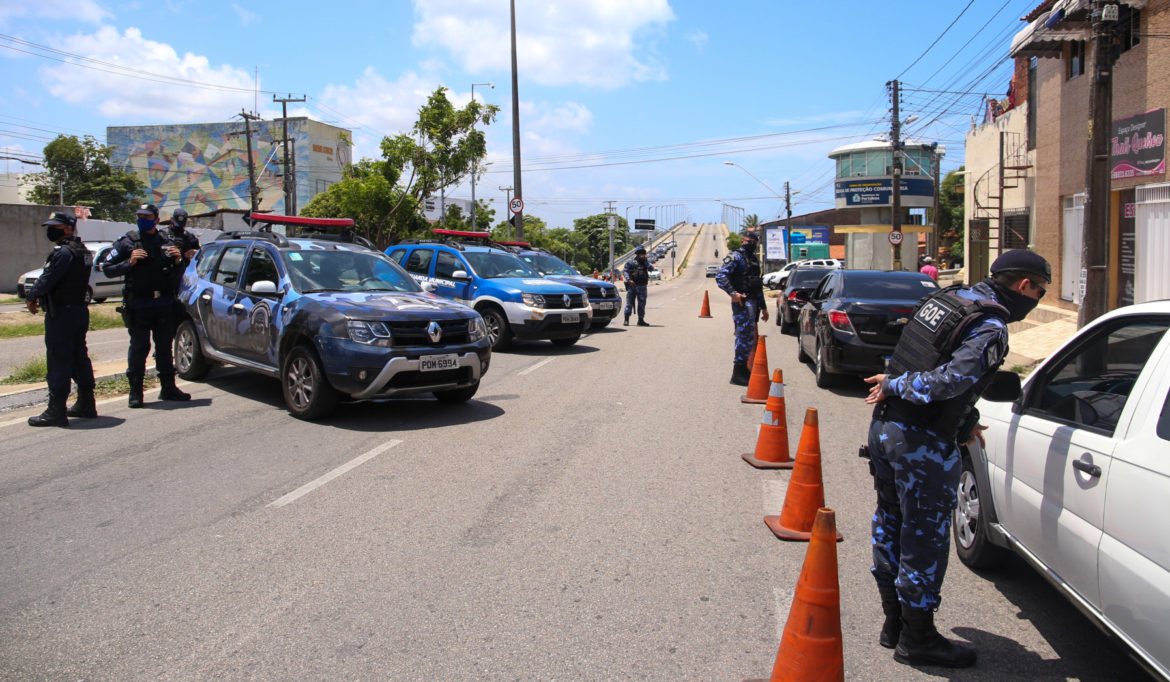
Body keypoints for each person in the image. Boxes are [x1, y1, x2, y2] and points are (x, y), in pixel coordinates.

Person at [861, 249, 1051, 668]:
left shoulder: (950, 299)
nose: (1036, 297)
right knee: (923, 539)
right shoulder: (990, 326)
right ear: (1024, 286)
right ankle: (919, 638)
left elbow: (927, 358)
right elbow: (948, 380)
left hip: (887, 429)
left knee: (890, 521)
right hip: (921, 441)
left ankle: (895, 623)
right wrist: (899, 385)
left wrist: (966, 417)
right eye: (1038, 290)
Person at [102, 203, 192, 408]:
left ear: (157, 220)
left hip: (163, 303)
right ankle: (135, 392)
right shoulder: (127, 243)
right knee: (139, 348)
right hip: (139, 304)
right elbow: (108, 269)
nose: (143, 219)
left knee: (164, 348)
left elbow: (178, 276)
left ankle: (168, 388)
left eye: (147, 216)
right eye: (139, 216)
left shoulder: (166, 242)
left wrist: (179, 262)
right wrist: (129, 263)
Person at [24, 212, 98, 427]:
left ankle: (56, 410)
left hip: (62, 314)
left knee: (59, 359)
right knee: (78, 357)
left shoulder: (63, 252)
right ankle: (86, 402)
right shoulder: (82, 251)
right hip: (78, 311)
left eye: (56, 226)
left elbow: (48, 278)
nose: (51, 230)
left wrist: (31, 295)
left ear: (68, 228)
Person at [715, 229, 769, 385]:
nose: (751, 245)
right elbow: (721, 276)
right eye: (749, 242)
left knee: (749, 338)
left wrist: (764, 307)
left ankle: (743, 369)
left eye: (754, 242)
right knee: (743, 337)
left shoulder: (753, 259)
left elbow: (757, 284)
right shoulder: (735, 257)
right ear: (743, 241)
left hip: (753, 302)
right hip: (742, 302)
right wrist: (733, 293)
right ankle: (738, 373)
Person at [622, 245, 655, 326]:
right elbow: (625, 271)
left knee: (642, 304)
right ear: (637, 254)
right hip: (633, 286)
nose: (642, 255)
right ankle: (626, 319)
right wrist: (629, 280)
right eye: (640, 253)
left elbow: (651, 269)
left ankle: (640, 320)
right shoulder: (631, 262)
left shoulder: (645, 262)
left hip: (642, 286)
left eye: (643, 253)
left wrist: (646, 262)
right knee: (629, 303)